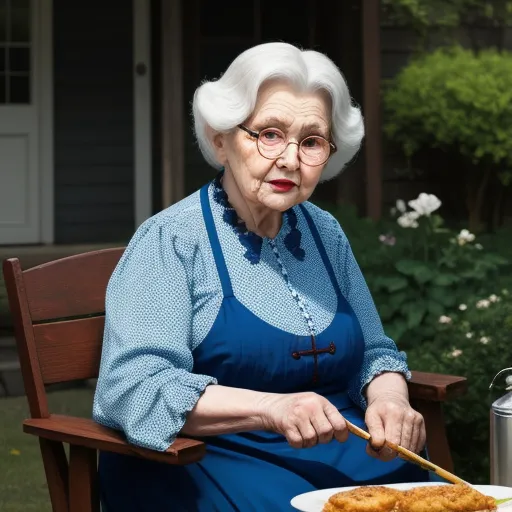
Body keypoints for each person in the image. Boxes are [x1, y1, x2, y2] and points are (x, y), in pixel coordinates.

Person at [93, 42, 429, 511]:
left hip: (343, 452)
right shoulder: (171, 239)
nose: (291, 159)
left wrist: (391, 398)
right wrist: (270, 408)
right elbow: (134, 386)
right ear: (219, 139)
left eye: (311, 141)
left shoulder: (324, 232)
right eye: (269, 134)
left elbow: (374, 350)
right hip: (211, 458)